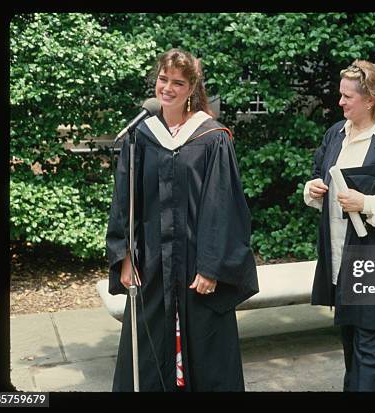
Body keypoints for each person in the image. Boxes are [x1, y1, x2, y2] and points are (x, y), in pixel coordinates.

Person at [106, 48, 258, 392]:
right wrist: (125, 255)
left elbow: (223, 207)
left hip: (195, 264)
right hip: (152, 262)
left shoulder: (212, 137)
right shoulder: (140, 135)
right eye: (163, 79)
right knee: (146, 350)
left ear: (192, 89)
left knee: (206, 349)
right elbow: (124, 202)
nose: (168, 88)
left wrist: (211, 266)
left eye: (177, 82)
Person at [303, 59, 375, 391]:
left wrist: (365, 203)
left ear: (370, 99)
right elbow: (317, 175)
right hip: (341, 257)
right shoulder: (334, 135)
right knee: (351, 340)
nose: (339, 102)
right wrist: (312, 189)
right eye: (340, 95)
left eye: (347, 97)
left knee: (368, 346)